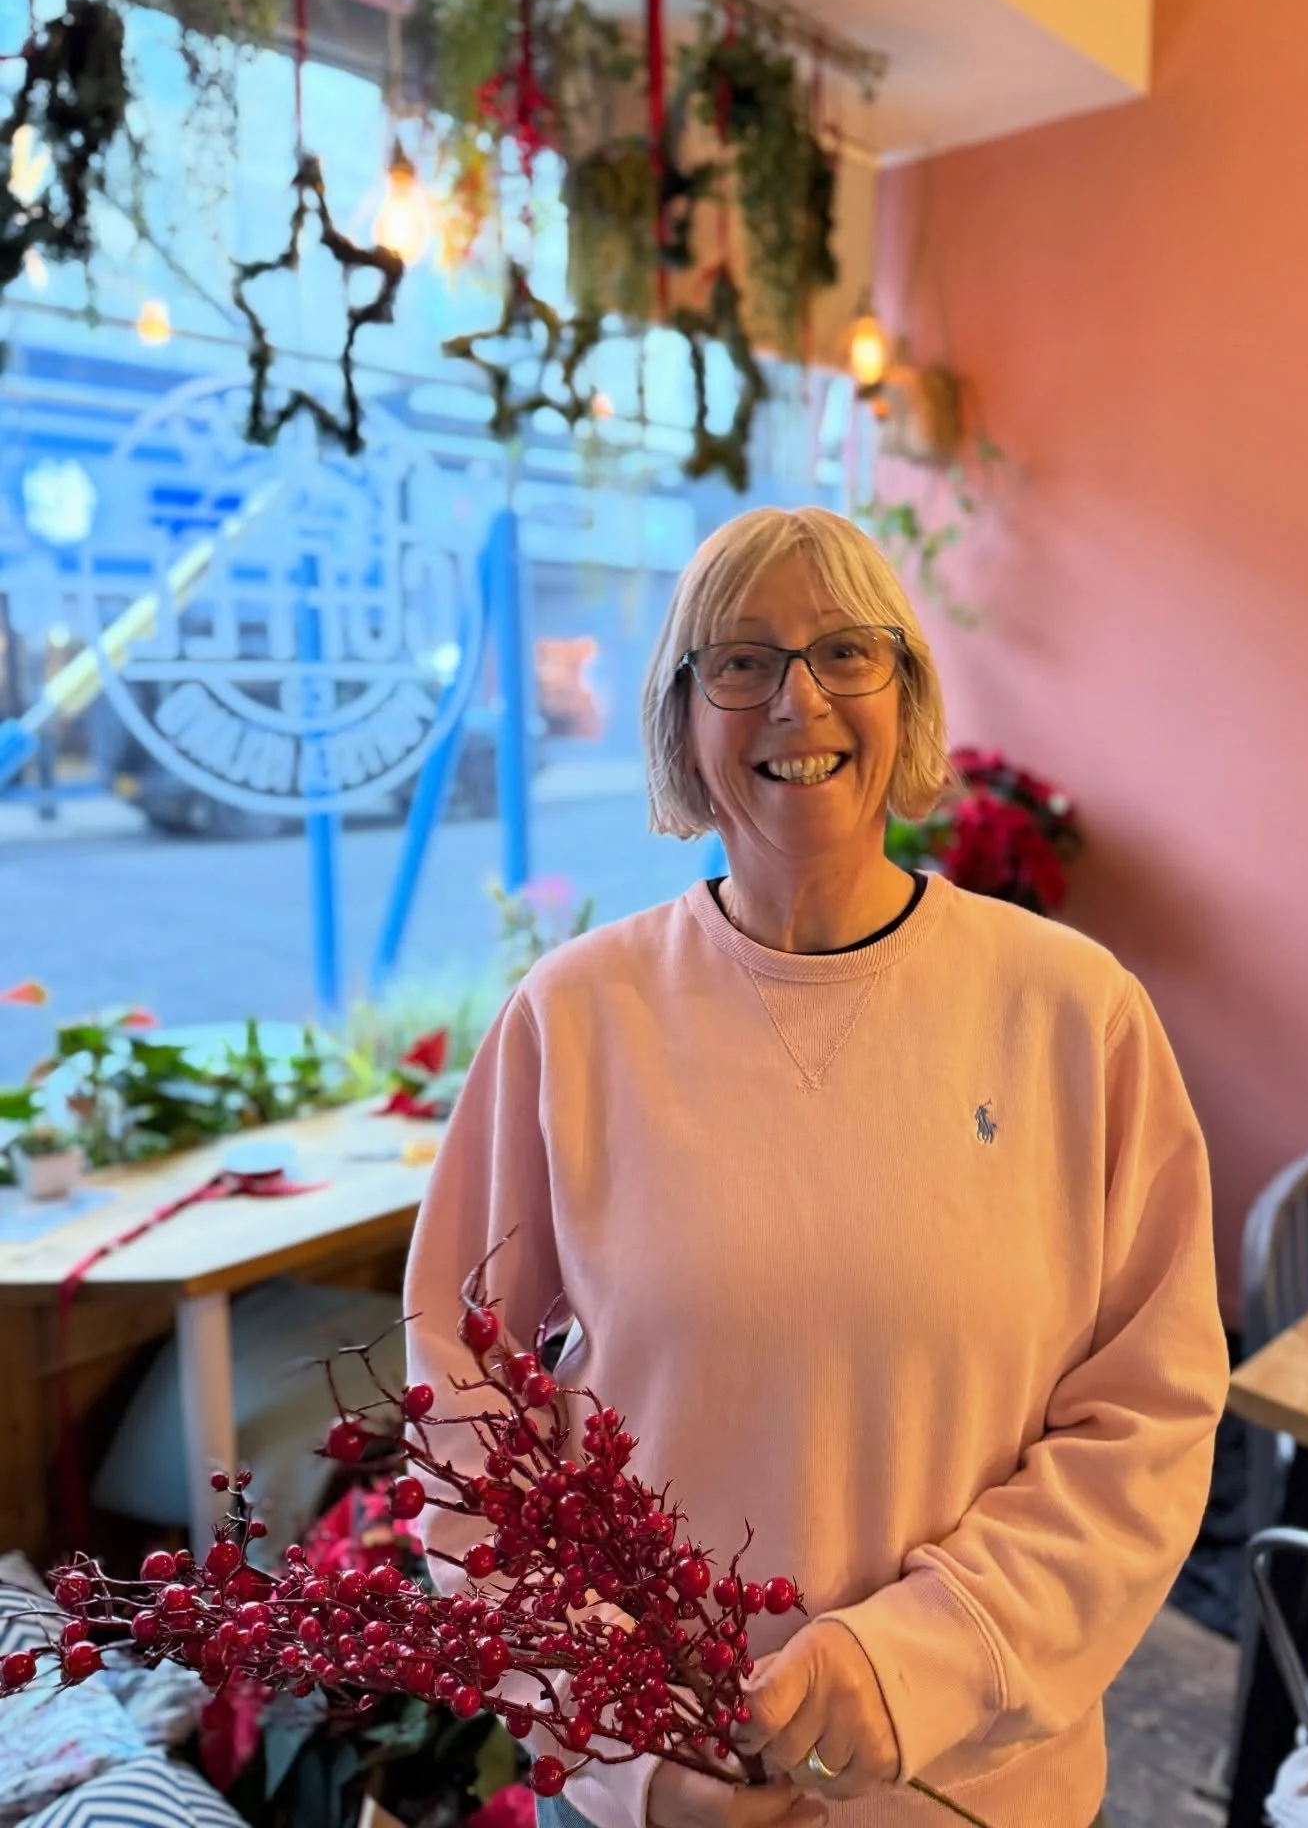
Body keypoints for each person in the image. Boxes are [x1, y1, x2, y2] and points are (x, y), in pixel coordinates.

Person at [405, 507, 1231, 1828]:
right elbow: (465, 1411)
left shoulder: (1077, 1013)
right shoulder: (572, 1020)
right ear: (682, 718)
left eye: (848, 653)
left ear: (905, 696)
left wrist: (909, 1660)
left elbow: (1152, 1412)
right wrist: (634, 1749)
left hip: (972, 1785)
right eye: (740, 662)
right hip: (664, 1783)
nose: (798, 698)